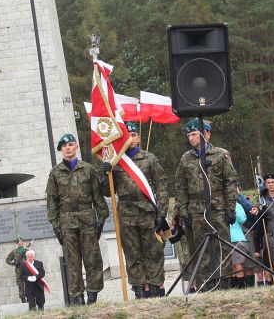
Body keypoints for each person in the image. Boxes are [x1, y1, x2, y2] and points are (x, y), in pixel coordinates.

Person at [102, 122, 168, 299]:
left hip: (147, 210)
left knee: (153, 250)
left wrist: (162, 213)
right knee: (132, 252)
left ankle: (155, 287)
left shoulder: (149, 158)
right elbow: (108, 192)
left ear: (138, 138)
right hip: (126, 211)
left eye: (133, 135)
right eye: (127, 135)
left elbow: (161, 185)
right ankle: (139, 288)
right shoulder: (116, 161)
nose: (130, 138)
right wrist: (106, 173)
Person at [174, 119, 238, 291]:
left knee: (221, 246)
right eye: (189, 135)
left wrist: (231, 208)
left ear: (207, 134)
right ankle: (206, 285)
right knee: (201, 248)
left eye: (194, 134)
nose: (191, 138)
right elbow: (180, 186)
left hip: (218, 208)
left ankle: (223, 283)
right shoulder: (186, 158)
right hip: (196, 210)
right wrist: (183, 210)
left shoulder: (221, 154)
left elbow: (230, 182)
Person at [46, 133, 108, 306]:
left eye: (71, 145)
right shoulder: (55, 173)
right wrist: (55, 225)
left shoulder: (88, 169)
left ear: (76, 147)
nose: (68, 148)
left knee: (92, 258)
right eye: (64, 146)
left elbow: (97, 196)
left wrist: (101, 219)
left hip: (87, 218)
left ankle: (93, 294)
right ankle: (78, 296)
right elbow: (52, 201)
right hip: (67, 222)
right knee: (72, 261)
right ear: (61, 150)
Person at [5, 238, 27, 303]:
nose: (19, 243)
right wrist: (13, 263)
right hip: (19, 271)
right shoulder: (14, 252)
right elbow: (7, 260)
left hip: (27, 270)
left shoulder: (27, 251)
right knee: (20, 285)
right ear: (16, 243)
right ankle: (23, 300)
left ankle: (29, 299)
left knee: (28, 285)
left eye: (21, 242)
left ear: (23, 242)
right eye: (18, 242)